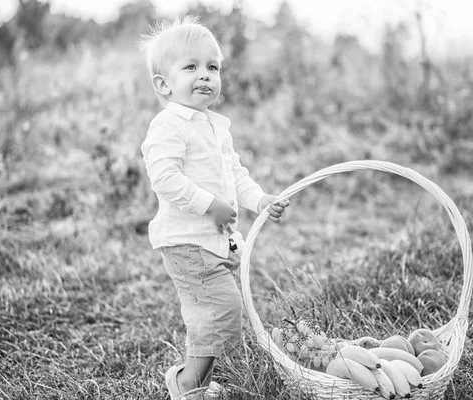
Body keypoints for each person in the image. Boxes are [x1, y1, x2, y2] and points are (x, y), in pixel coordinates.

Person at [138, 15, 290, 399]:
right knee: (220, 308)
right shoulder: (168, 125)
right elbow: (165, 179)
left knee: (217, 311)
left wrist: (259, 200)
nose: (205, 75)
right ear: (163, 84)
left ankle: (196, 382)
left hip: (215, 240)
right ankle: (188, 383)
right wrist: (210, 206)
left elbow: (235, 174)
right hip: (186, 241)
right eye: (191, 67)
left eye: (213, 67)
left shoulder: (215, 126)